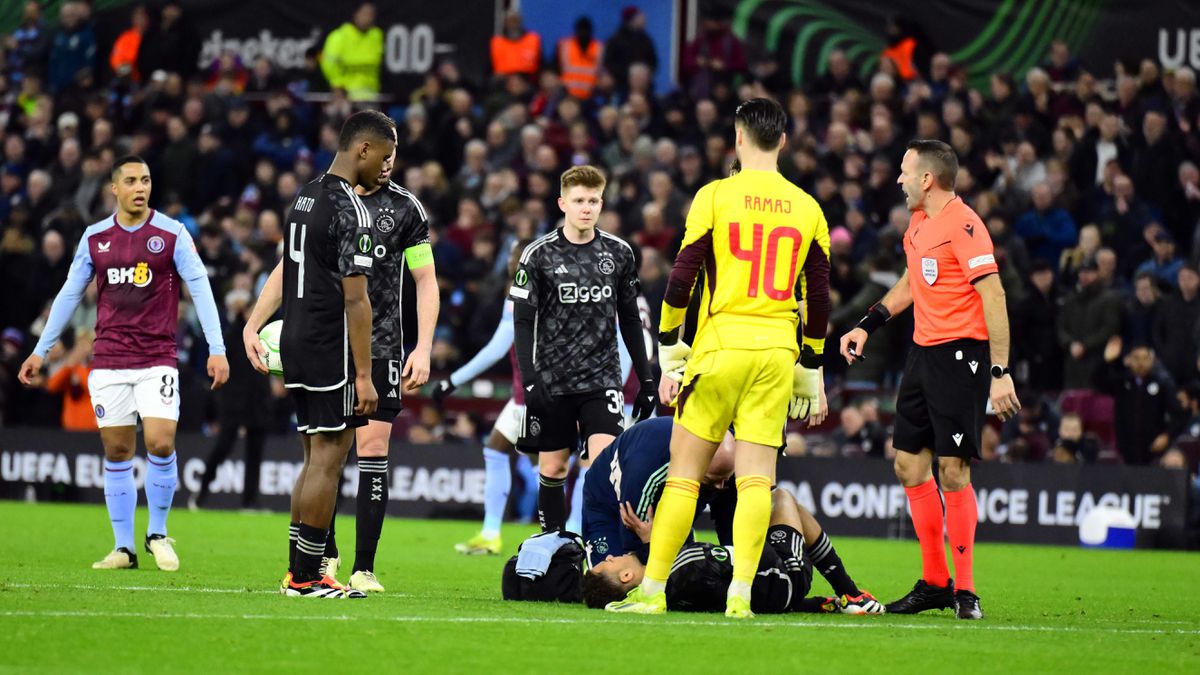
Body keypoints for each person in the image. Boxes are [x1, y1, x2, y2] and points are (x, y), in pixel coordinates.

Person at [608, 98, 831, 619]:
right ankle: (740, 598)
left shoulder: (716, 195)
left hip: (721, 345)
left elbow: (683, 274)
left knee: (685, 475)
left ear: (737, 139)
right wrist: (812, 365)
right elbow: (818, 296)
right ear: (782, 141)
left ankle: (653, 592)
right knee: (757, 479)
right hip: (777, 352)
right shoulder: (808, 207)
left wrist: (666, 343)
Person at [247, 125, 436, 594]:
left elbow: (425, 281)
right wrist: (365, 373)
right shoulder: (349, 208)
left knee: (333, 455)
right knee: (329, 457)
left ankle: (339, 568)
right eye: (386, 152)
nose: (390, 162)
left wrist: (423, 345)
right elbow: (354, 299)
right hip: (338, 345)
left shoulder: (311, 196)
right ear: (365, 149)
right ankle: (310, 571)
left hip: (335, 341)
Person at [18, 155, 230, 571]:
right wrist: (40, 350)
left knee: (160, 441)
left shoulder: (171, 234)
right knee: (117, 450)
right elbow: (68, 295)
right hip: (110, 360)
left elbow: (201, 288)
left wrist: (216, 347)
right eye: (131, 180)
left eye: (146, 180)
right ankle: (123, 548)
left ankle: (157, 533)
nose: (140, 187)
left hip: (157, 358)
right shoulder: (95, 238)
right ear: (113, 189)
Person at [839, 139, 1020, 620]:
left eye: (904, 171)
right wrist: (868, 323)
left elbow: (995, 297)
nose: (898, 180)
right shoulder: (918, 225)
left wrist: (1000, 373)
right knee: (907, 466)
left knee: (952, 470)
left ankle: (965, 590)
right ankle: (935, 582)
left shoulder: (965, 226)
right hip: (922, 354)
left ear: (927, 179)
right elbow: (912, 283)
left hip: (962, 357)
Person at [510, 165, 656, 534]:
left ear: (601, 202)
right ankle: (554, 547)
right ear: (563, 203)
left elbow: (630, 321)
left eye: (593, 200)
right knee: (554, 469)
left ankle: (601, 552)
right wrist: (529, 379)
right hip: (553, 381)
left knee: (605, 467)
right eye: (579, 200)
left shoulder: (619, 253)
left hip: (601, 379)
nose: (586, 207)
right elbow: (523, 321)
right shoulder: (537, 254)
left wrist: (647, 378)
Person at [584, 486, 876, 615]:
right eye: (605, 564)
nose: (609, 556)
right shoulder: (685, 569)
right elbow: (735, 559)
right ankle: (851, 593)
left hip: (771, 591)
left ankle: (821, 603)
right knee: (781, 497)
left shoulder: (664, 590)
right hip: (784, 575)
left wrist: (652, 542)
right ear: (625, 575)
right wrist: (757, 533)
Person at [192, 289, 269, 510]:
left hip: (257, 403)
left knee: (255, 454)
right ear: (244, 312)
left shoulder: (267, 336)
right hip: (234, 404)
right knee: (223, 448)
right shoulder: (232, 336)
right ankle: (202, 490)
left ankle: (250, 501)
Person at [320, 2, 384, 101]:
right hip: (346, 98)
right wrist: (337, 85)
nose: (368, 18)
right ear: (355, 14)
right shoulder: (339, 36)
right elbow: (328, 64)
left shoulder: (377, 36)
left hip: (372, 97)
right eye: (365, 13)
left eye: (371, 15)